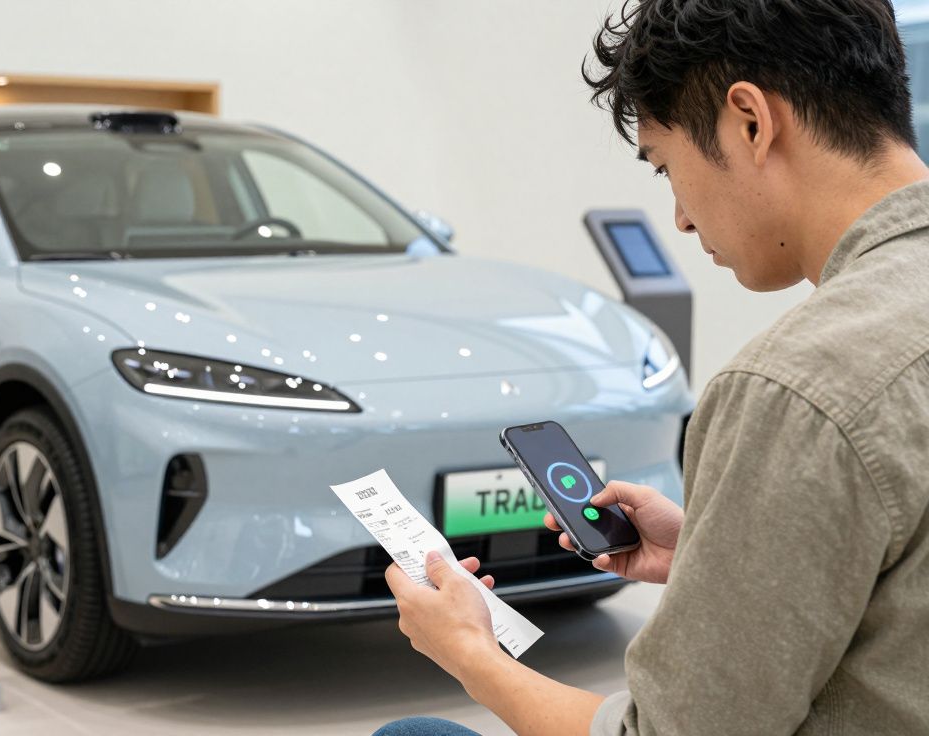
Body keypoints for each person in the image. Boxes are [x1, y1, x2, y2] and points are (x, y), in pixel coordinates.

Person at [377, 0, 929, 733]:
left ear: (751, 123)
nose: (681, 218)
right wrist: (719, 548)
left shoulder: (795, 389)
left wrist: (472, 653)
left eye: (668, 167)